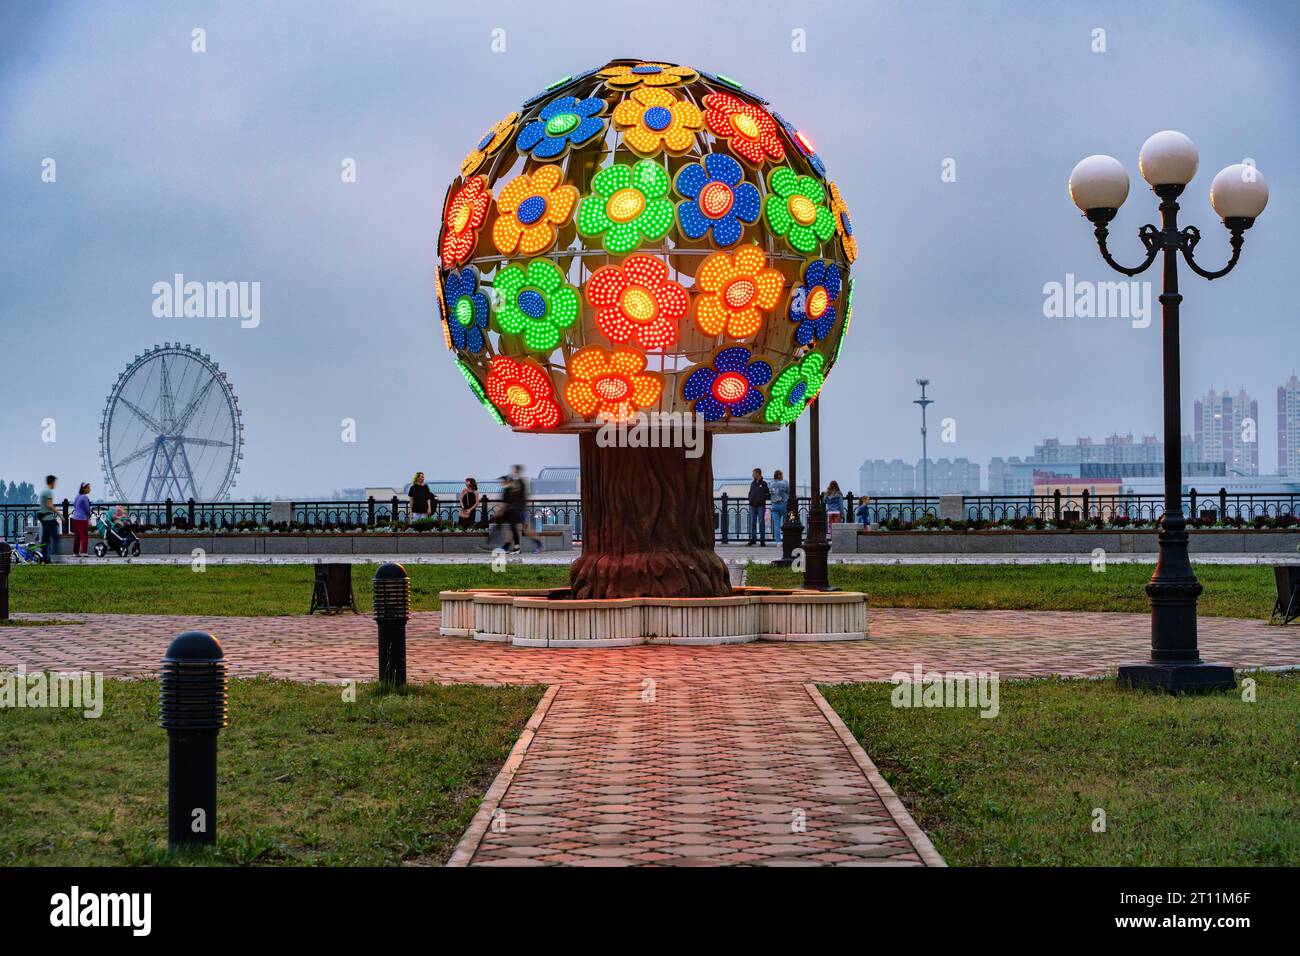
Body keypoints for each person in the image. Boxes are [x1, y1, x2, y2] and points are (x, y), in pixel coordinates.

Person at [503, 466, 543, 554]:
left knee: (525, 530)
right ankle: (507, 546)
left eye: (515, 471)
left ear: (518, 471)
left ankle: (539, 544)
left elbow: (521, 494)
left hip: (520, 509)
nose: (514, 473)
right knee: (513, 529)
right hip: (516, 509)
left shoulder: (521, 482)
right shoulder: (517, 481)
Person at [37, 475, 60, 564]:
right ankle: (56, 557)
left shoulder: (44, 491)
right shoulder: (49, 492)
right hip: (49, 518)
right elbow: (50, 505)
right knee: (55, 539)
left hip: (44, 519)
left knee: (45, 540)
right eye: (55, 482)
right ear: (52, 482)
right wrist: (59, 514)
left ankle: (44, 557)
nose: (55, 484)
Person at [746, 468, 770, 546]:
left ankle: (762, 540)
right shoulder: (752, 483)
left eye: (753, 473)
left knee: (761, 522)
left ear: (758, 474)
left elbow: (767, 494)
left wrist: (762, 498)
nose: (752, 475)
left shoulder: (764, 483)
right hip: (752, 506)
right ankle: (753, 539)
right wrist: (750, 498)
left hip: (761, 506)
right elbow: (750, 493)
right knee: (753, 523)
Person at [71, 482, 92, 558]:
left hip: (75, 518)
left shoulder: (77, 496)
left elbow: (74, 506)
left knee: (76, 536)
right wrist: (88, 519)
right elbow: (87, 509)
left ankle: (75, 552)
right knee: (84, 536)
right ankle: (84, 552)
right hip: (82, 519)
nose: (90, 489)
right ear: (84, 489)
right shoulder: (85, 497)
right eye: (88, 488)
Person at [768, 469, 789, 545]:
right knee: (787, 523)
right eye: (782, 475)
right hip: (783, 504)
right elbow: (788, 491)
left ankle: (778, 542)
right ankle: (787, 539)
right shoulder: (784, 482)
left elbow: (769, 493)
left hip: (774, 505)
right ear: (779, 475)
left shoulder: (771, 483)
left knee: (776, 525)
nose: (783, 476)